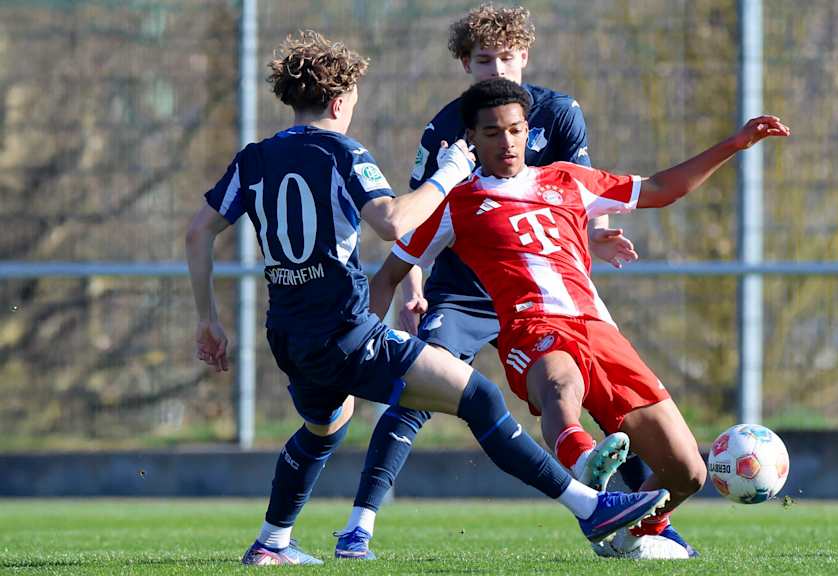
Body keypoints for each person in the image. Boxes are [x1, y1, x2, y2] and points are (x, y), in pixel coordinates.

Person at [184, 31, 669, 566]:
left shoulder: (255, 158)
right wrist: (449, 175)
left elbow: (199, 232)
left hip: (289, 335)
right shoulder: (343, 151)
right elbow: (393, 223)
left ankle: (271, 543)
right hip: (348, 331)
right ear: (341, 101)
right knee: (481, 400)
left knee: (327, 424)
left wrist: (208, 319)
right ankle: (589, 507)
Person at [371, 78, 790, 558]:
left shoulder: (569, 179)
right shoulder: (455, 202)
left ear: (528, 131)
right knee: (559, 385)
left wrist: (734, 144)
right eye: (492, 133)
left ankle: (633, 533)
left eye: (515, 130)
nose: (507, 142)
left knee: (689, 471)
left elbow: (661, 188)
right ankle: (584, 462)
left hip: (600, 330)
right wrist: (369, 347)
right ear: (473, 138)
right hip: (534, 326)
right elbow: (388, 275)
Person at [335, 2, 656, 560]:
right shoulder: (444, 128)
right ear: (466, 65)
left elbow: (581, 190)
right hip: (462, 291)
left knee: (606, 401)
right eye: (486, 60)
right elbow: (417, 220)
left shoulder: (557, 113)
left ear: (526, 57)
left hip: (544, 292)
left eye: (508, 56)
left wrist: (594, 236)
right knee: (414, 395)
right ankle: (359, 525)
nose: (499, 69)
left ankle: (649, 523)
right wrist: (411, 293)